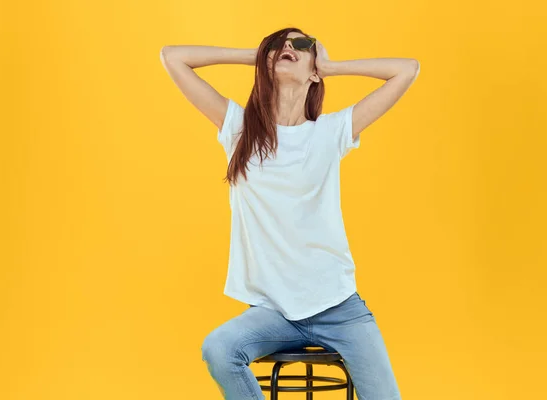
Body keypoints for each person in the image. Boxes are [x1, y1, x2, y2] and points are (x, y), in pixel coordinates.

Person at [160, 27, 419, 400]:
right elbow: (172, 56)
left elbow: (407, 69)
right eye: (279, 44)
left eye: (300, 44)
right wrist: (258, 56)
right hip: (273, 312)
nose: (287, 48)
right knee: (219, 349)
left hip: (339, 307)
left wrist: (331, 66)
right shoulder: (238, 128)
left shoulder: (330, 132)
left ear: (315, 71)